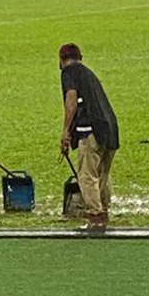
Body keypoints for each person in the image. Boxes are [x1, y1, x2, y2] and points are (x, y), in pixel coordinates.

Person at [59, 43, 119, 232]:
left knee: (87, 175)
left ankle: (95, 216)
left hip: (90, 130)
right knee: (103, 174)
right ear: (80, 57)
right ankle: (104, 210)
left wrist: (66, 131)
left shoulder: (69, 72)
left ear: (61, 60)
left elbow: (71, 100)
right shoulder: (88, 74)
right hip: (110, 128)